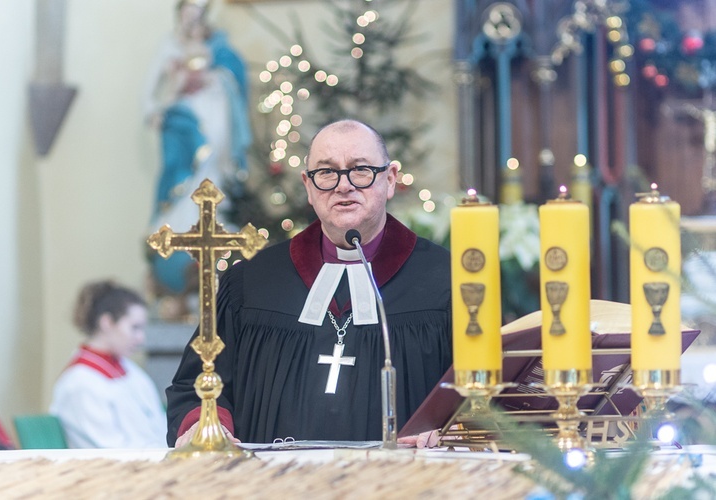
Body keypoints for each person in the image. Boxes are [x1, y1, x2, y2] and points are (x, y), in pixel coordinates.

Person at [166, 119, 452, 445]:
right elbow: (196, 384)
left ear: (389, 180)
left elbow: (482, 395)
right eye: (327, 172)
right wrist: (212, 431)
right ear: (308, 187)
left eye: (360, 170)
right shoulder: (252, 283)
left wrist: (451, 428)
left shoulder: (445, 283)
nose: (344, 186)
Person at [143, 0, 251, 295]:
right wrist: (174, 85)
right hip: (181, 120)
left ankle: (215, 213)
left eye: (196, 18)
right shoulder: (169, 48)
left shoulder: (220, 48)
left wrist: (210, 77)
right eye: (186, 18)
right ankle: (181, 217)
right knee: (181, 177)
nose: (191, 25)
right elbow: (152, 94)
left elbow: (235, 82)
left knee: (212, 170)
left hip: (214, 121)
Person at [50, 281, 167, 448]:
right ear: (106, 323)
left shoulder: (131, 371)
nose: (141, 338)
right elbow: (113, 449)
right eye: (134, 328)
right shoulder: (80, 383)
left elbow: (160, 428)